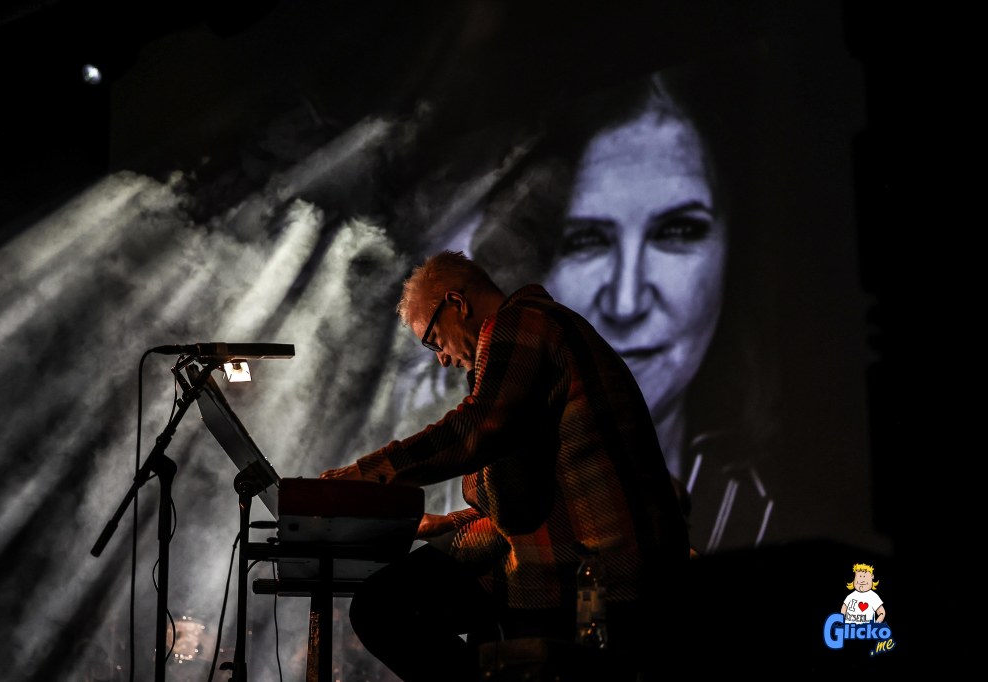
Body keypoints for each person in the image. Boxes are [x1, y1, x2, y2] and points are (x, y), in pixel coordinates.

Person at [321, 250, 689, 681]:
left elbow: (478, 428)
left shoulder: (523, 322)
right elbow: (528, 491)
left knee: (382, 607)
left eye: (434, 340)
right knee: (430, 614)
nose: (441, 358)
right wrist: (452, 523)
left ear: (457, 303)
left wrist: (368, 474)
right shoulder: (539, 336)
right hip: (579, 556)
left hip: (594, 567)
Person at [469, 62, 781, 555]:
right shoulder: (479, 498)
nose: (626, 302)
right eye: (583, 240)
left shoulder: (782, 516)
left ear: (732, 250)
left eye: (676, 231)